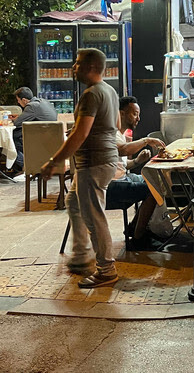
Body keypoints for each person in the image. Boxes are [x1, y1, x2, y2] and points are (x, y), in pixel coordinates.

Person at [40, 48, 120, 288]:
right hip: (105, 159)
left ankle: (106, 269)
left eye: (77, 64)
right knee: (74, 202)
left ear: (92, 67)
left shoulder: (91, 94)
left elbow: (80, 134)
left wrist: (54, 161)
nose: (73, 68)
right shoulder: (110, 91)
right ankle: (82, 255)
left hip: (93, 163)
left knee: (95, 218)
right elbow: (115, 125)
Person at [106, 96, 165, 250]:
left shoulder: (120, 134)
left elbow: (123, 166)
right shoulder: (111, 132)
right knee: (153, 190)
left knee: (157, 182)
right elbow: (123, 149)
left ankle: (135, 228)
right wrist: (146, 140)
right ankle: (139, 239)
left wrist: (138, 161)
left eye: (139, 114)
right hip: (109, 187)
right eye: (134, 114)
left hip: (122, 178)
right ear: (121, 114)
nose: (138, 118)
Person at [10, 86, 57, 174]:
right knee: (16, 136)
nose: (18, 102)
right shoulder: (43, 101)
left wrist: (16, 119)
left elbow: (17, 123)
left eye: (18, 100)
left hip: (40, 141)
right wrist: (19, 117)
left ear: (24, 100)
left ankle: (29, 166)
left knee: (10, 139)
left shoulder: (31, 106)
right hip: (50, 138)